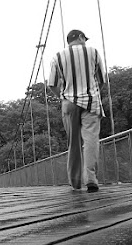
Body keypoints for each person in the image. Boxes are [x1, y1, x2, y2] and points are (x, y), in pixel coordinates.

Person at [48, 29, 106, 193]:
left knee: (73, 143)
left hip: (69, 103)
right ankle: (91, 179)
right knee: (90, 141)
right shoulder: (93, 51)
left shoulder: (57, 56)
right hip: (91, 102)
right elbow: (101, 79)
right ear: (80, 37)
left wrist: (63, 96)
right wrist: (94, 92)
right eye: (84, 38)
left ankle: (75, 182)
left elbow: (52, 84)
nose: (85, 41)